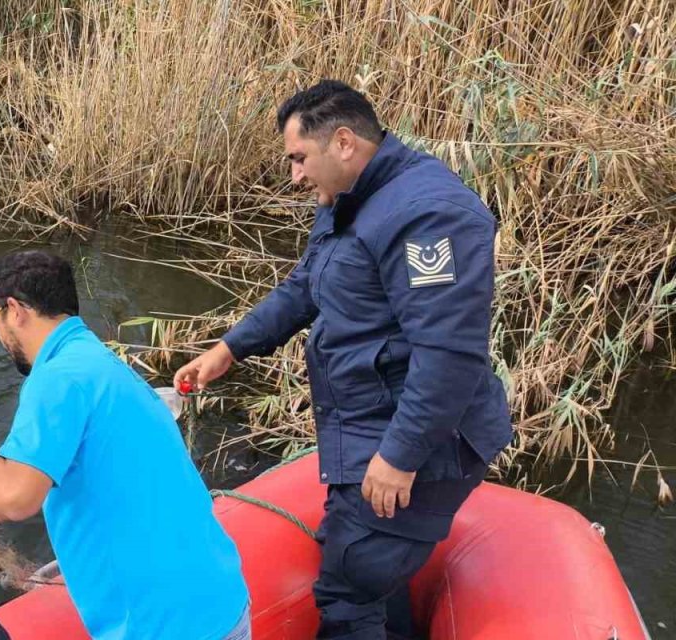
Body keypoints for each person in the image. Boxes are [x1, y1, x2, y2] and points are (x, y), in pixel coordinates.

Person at [174, 80, 512, 640]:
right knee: (372, 573)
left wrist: (400, 456)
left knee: (347, 591)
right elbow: (305, 285)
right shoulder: (346, 202)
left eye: (299, 159)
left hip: (420, 446)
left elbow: (448, 354)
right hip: (363, 429)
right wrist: (230, 347)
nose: (296, 176)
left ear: (345, 143)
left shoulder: (428, 215)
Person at [0, 250, 250, 640]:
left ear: (15, 310)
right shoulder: (96, 362)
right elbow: (28, 486)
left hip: (167, 627)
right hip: (222, 603)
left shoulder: (57, 379)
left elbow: (15, 495)